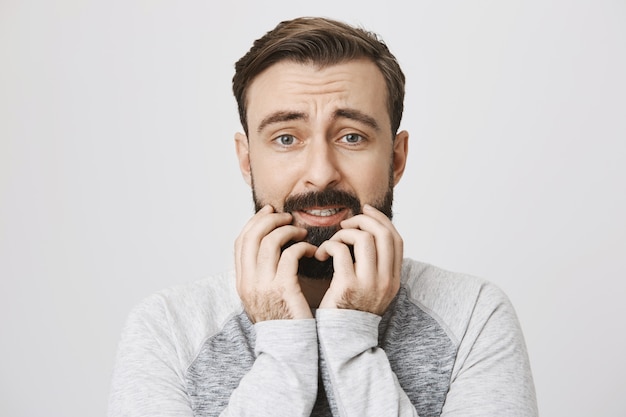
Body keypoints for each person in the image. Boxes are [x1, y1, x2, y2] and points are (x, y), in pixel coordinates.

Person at [108, 17, 538, 417]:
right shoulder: (167, 328)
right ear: (247, 161)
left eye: (352, 136)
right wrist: (280, 339)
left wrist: (351, 335)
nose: (320, 172)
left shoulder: (473, 316)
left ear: (397, 157)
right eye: (286, 137)